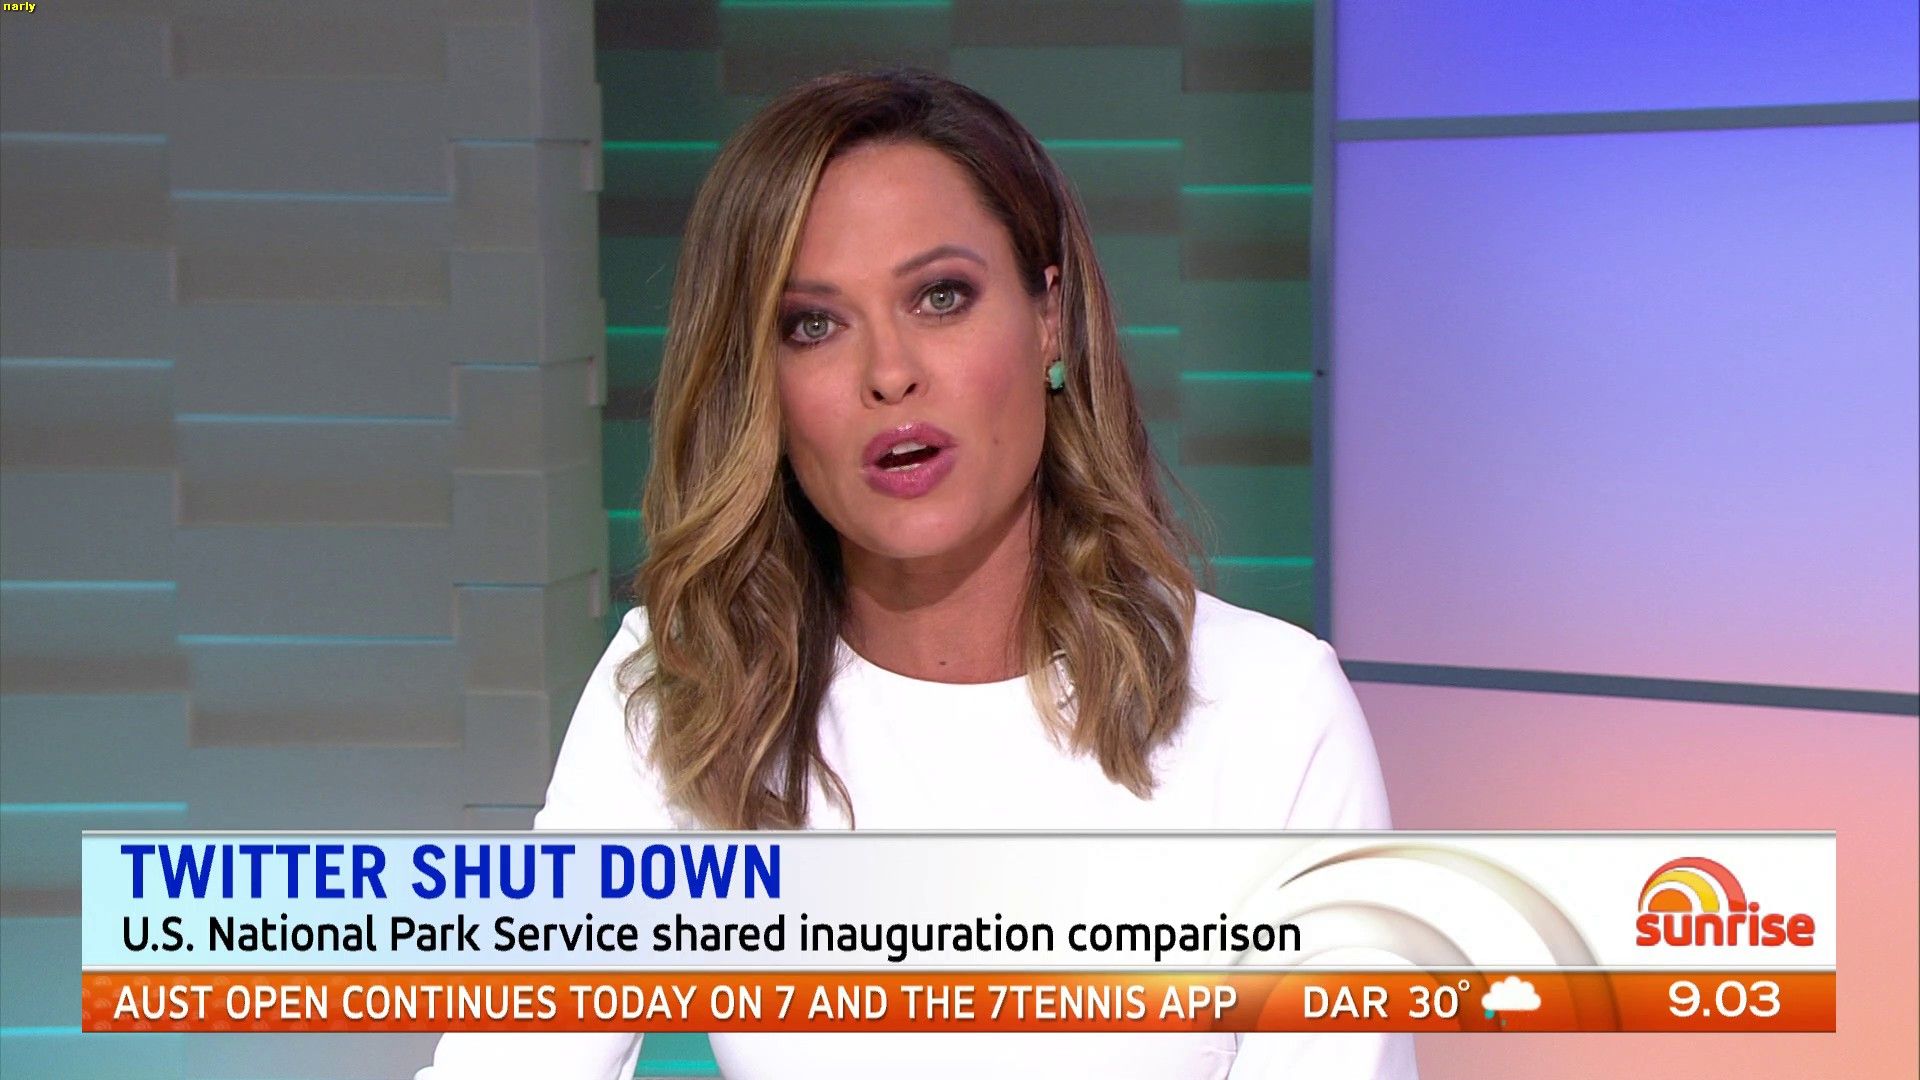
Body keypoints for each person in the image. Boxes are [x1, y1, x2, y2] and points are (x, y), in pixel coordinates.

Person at [421, 67, 1415, 1079]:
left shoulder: (1269, 708)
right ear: (762, 382)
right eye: (813, 324)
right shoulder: (689, 689)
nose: (888, 373)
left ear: (1049, 317)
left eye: (941, 297)